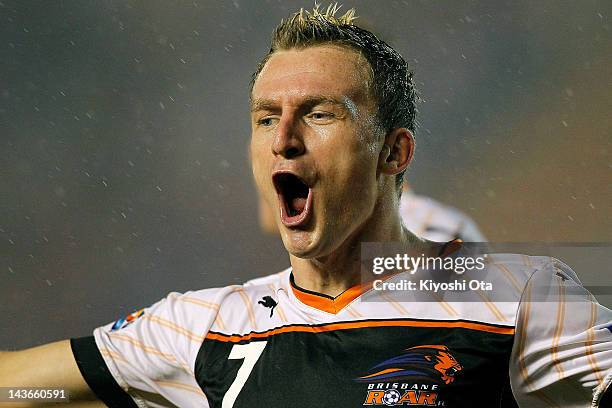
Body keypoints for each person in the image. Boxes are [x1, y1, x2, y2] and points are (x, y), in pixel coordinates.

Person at [1, 5, 610, 407]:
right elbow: (21, 390)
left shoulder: (519, 293)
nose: (283, 138)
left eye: (319, 114)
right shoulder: (203, 328)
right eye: (267, 117)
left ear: (393, 152)